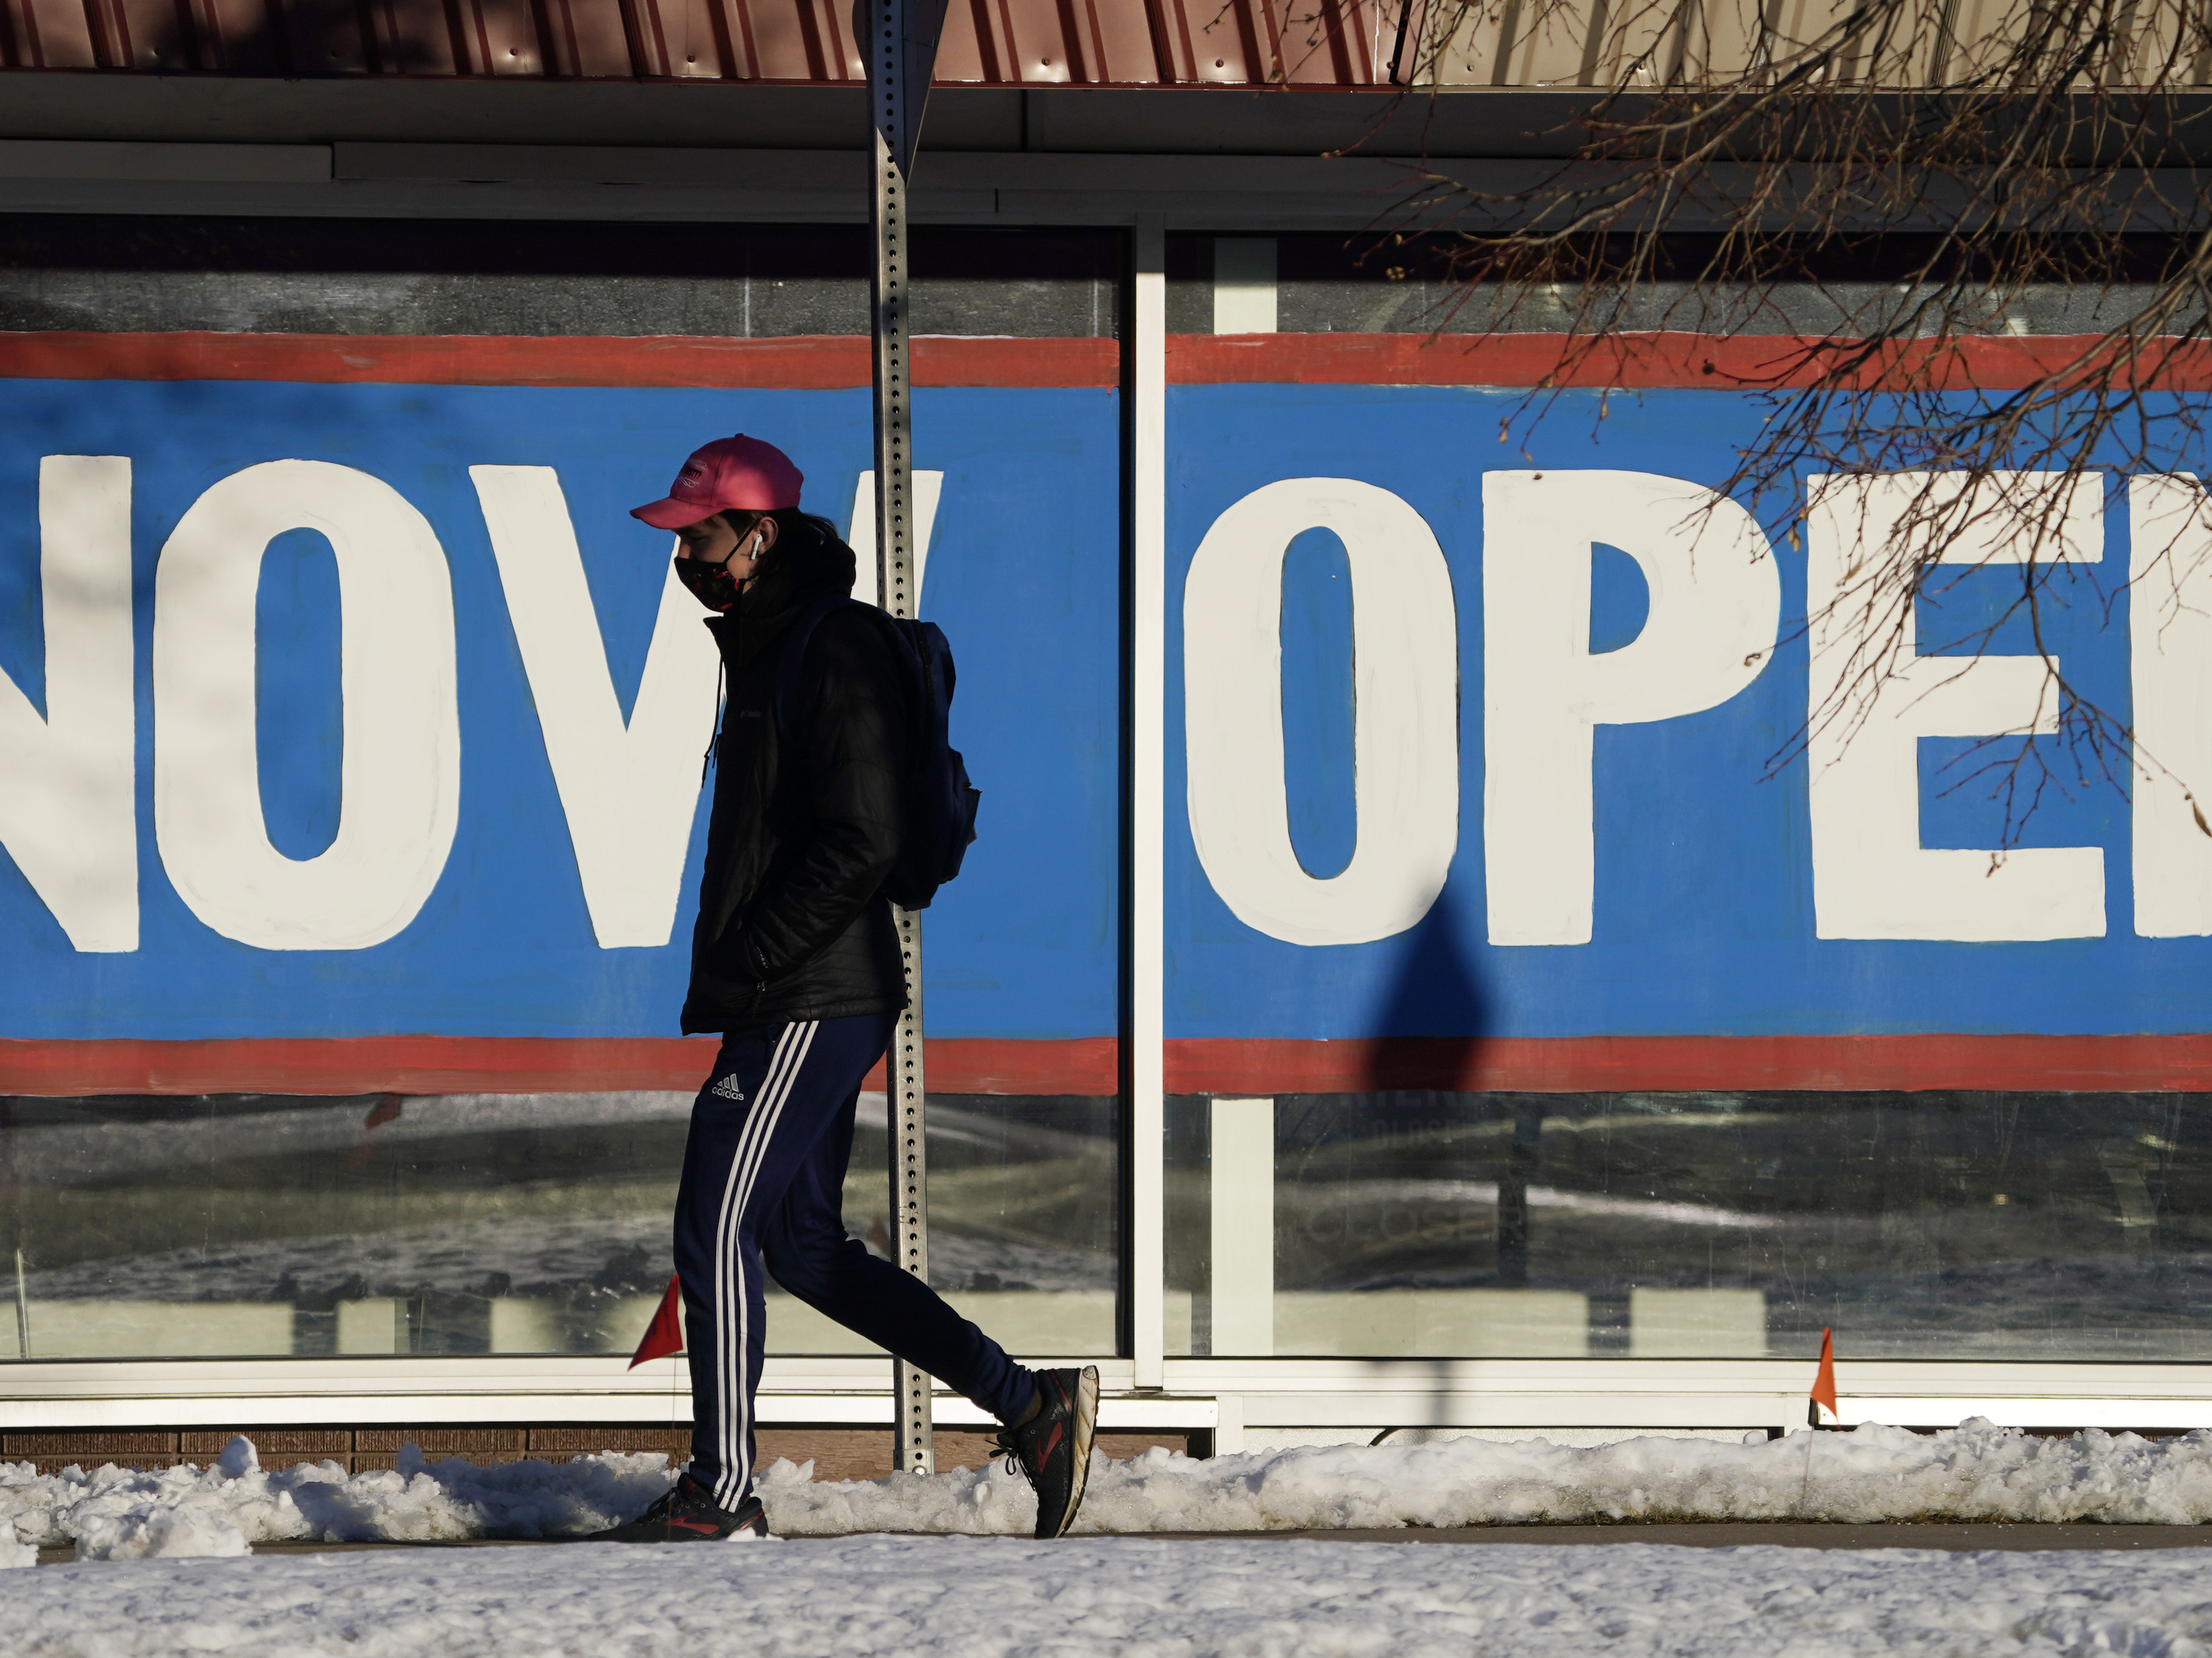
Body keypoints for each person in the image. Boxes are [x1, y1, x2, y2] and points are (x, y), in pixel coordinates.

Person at [591, 434, 1098, 1544]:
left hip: (806, 990)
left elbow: (863, 838)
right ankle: (1029, 1404)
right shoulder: (775, 646)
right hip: (802, 985)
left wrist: (759, 955)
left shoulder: (833, 646)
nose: (683, 561)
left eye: (699, 539)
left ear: (758, 534)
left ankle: (721, 1491)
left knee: (712, 1228)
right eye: (677, 543)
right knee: (804, 1247)